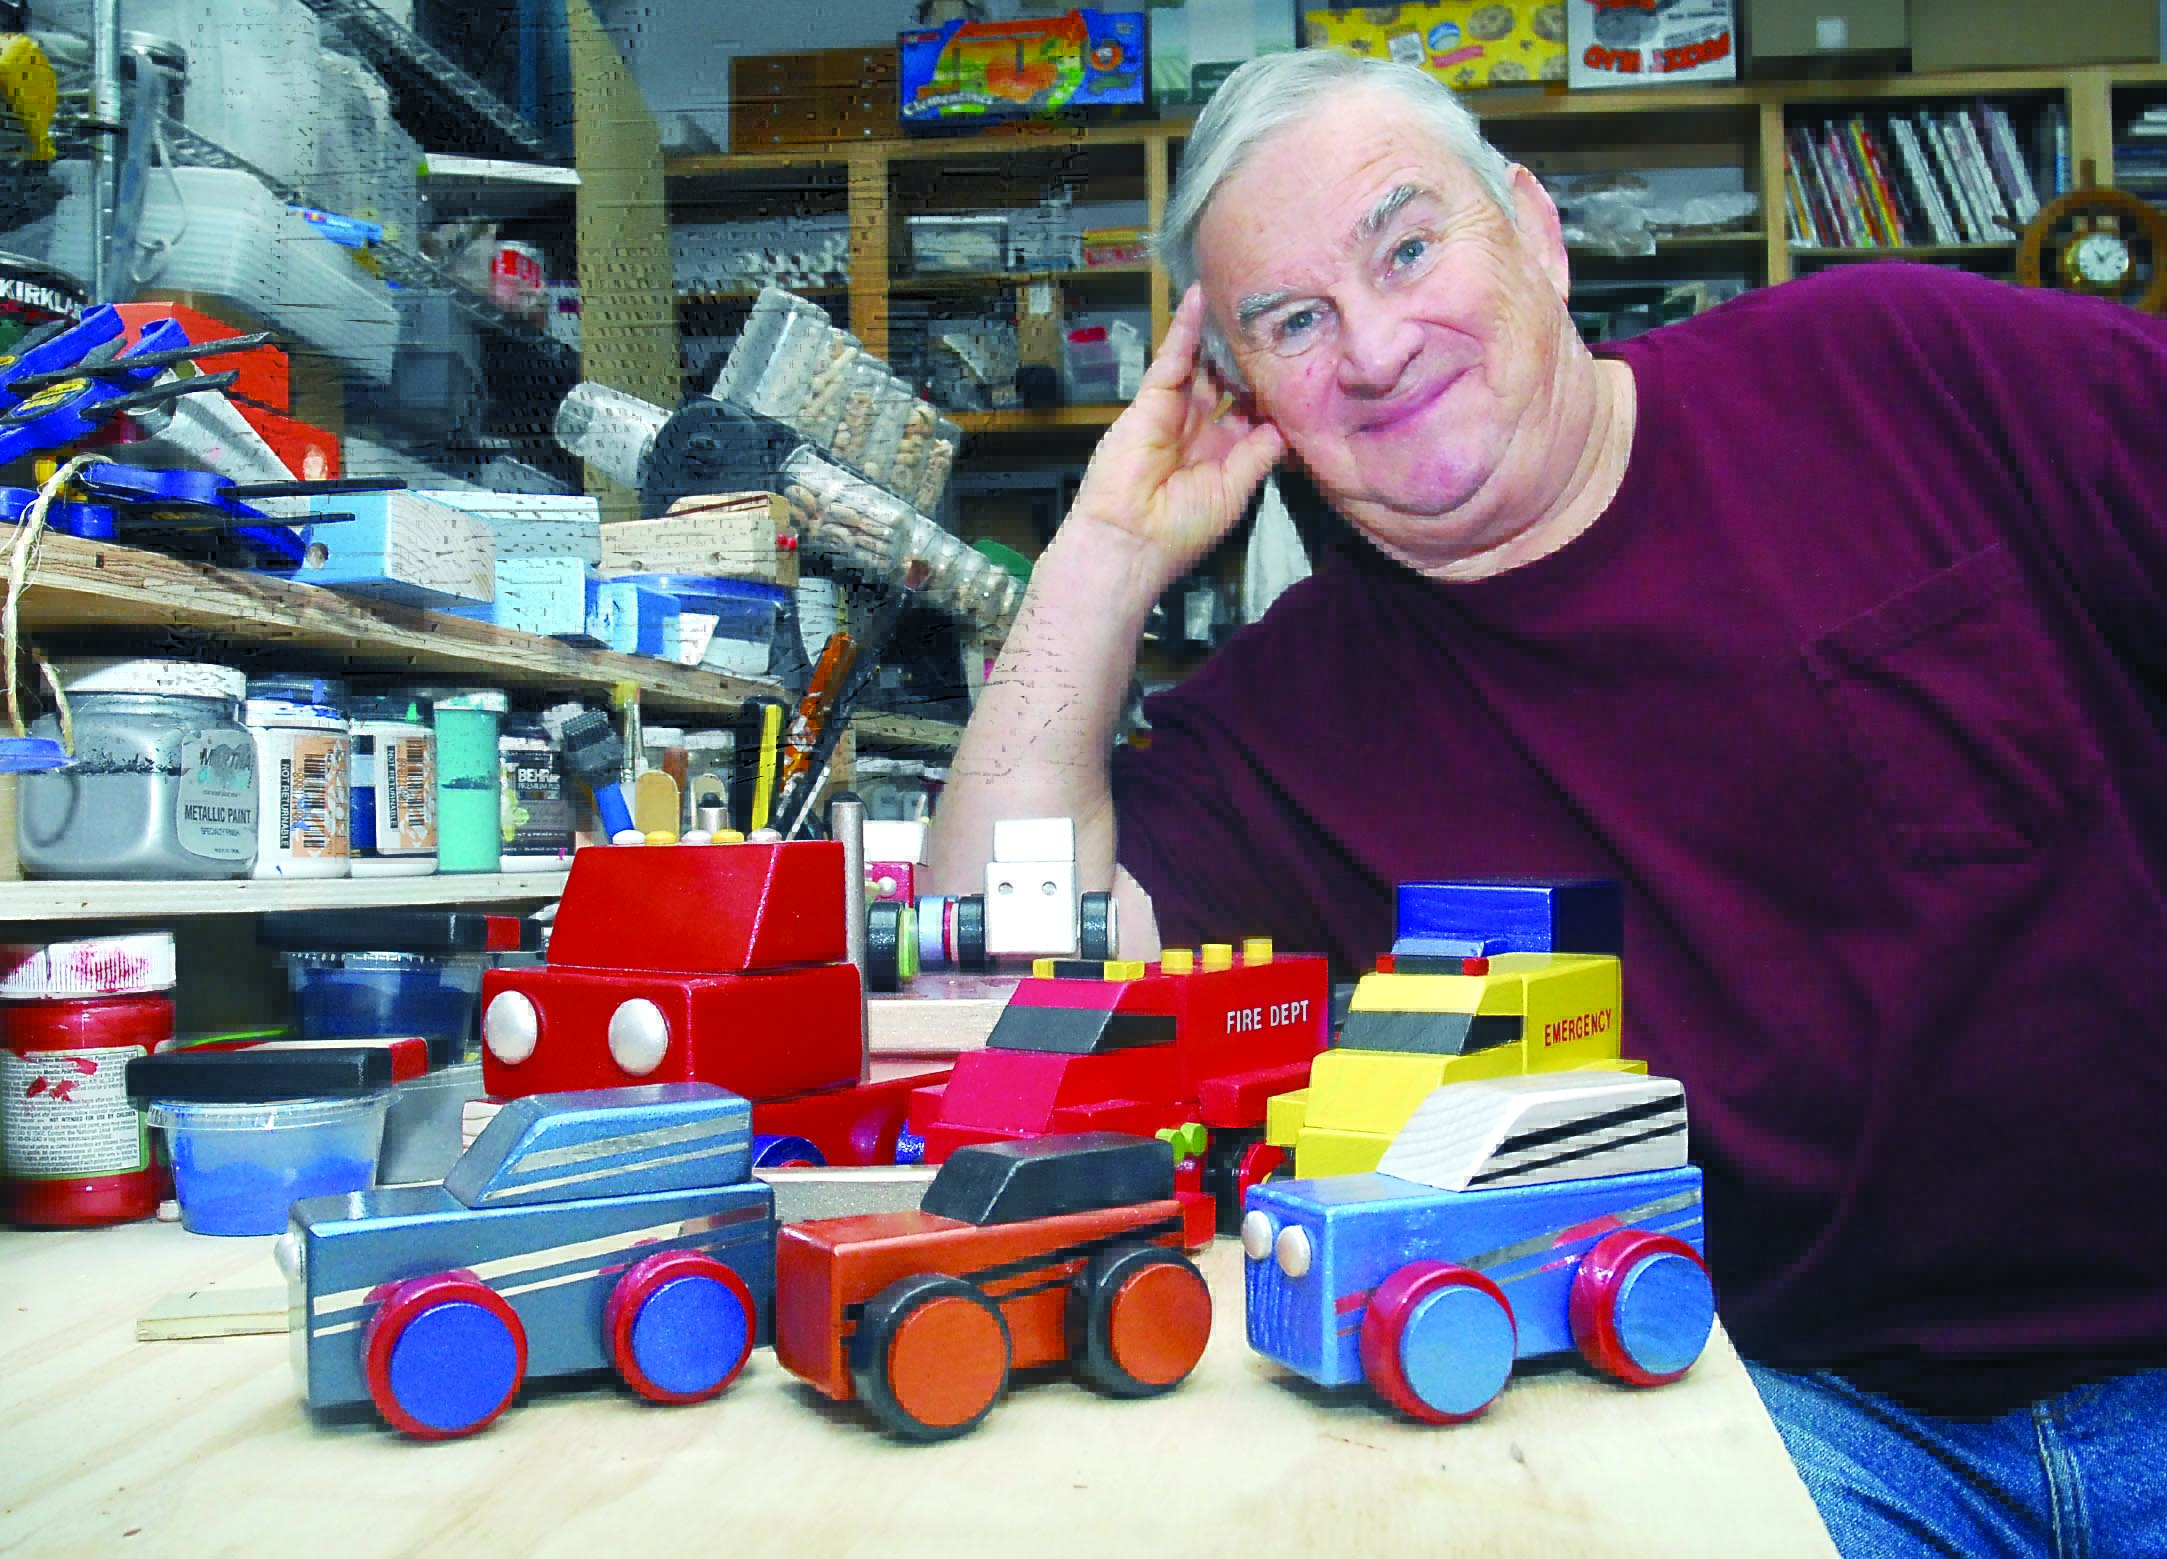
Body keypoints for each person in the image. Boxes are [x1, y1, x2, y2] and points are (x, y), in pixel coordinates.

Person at [925, 46, 2167, 1558]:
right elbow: (994, 993)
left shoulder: (1901, 368)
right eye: (1294, 323)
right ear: (1245, 397)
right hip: (1780, 1413)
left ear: (1534, 229)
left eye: (1406, 246)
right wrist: (1100, 558)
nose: (1375, 346)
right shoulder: (1282, 725)